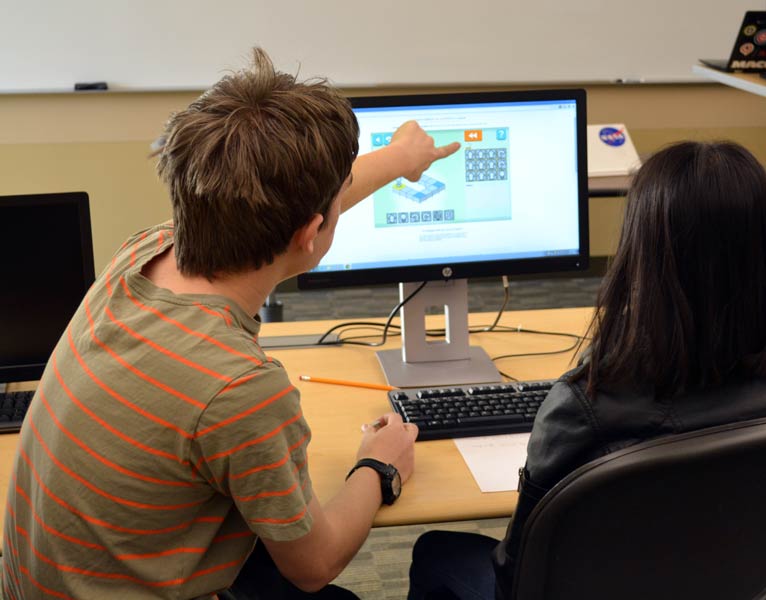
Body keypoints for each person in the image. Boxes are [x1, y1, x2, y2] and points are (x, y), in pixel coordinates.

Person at [1, 47, 459, 599]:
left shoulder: (142, 253)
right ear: (308, 235)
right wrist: (378, 467)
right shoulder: (241, 389)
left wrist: (397, 158)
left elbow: (298, 210)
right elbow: (314, 565)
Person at [407, 141, 766, 600]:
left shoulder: (585, 403)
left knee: (436, 553)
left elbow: (519, 575)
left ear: (642, 257)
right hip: (739, 587)